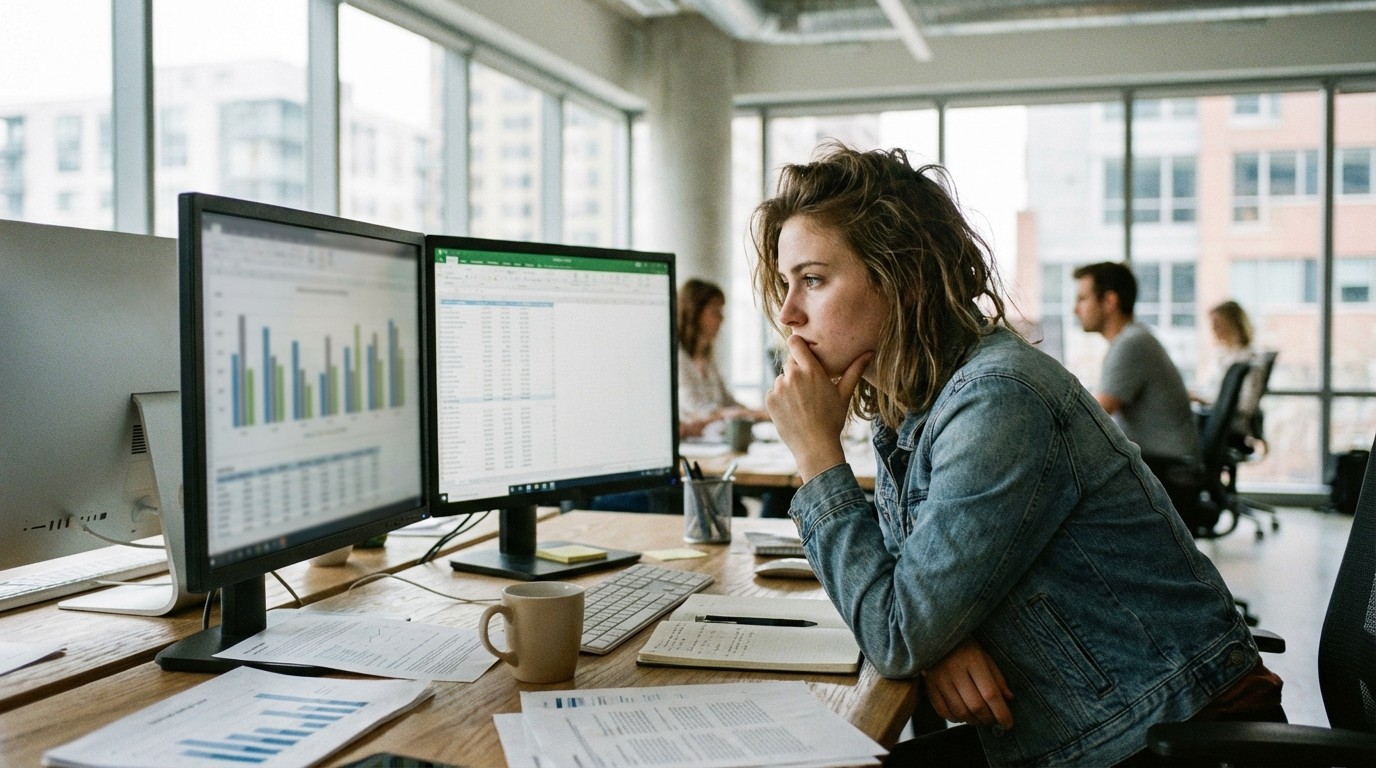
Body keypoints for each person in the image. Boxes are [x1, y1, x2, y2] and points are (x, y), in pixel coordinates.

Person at [752, 144, 1280, 767]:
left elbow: (896, 630)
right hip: (1085, 725)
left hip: (1170, 734)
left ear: (904, 275)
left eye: (812, 279)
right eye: (786, 284)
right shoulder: (911, 401)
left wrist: (817, 456)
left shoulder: (997, 398)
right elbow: (910, 593)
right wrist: (941, 638)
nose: (788, 314)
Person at [1072, 261, 1209, 529]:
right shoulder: (1134, 338)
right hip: (1163, 463)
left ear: (1109, 301)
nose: (1075, 309)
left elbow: (1095, 415)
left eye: (1082, 299)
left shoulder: (1131, 344)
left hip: (1166, 471)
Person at [676, 278, 766, 439]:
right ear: (695, 313)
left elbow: (727, 401)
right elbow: (699, 411)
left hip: (715, 443)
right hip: (693, 448)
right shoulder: (678, 358)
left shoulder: (707, 359)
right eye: (715, 312)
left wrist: (758, 412)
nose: (721, 319)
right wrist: (756, 414)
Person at [1193, 300, 1264, 435]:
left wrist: (1203, 400)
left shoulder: (1246, 360)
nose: (1213, 329)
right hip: (1213, 417)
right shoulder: (1221, 355)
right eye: (1212, 324)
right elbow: (1212, 389)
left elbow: (1244, 405)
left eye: (1218, 324)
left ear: (1233, 325)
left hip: (1225, 425)